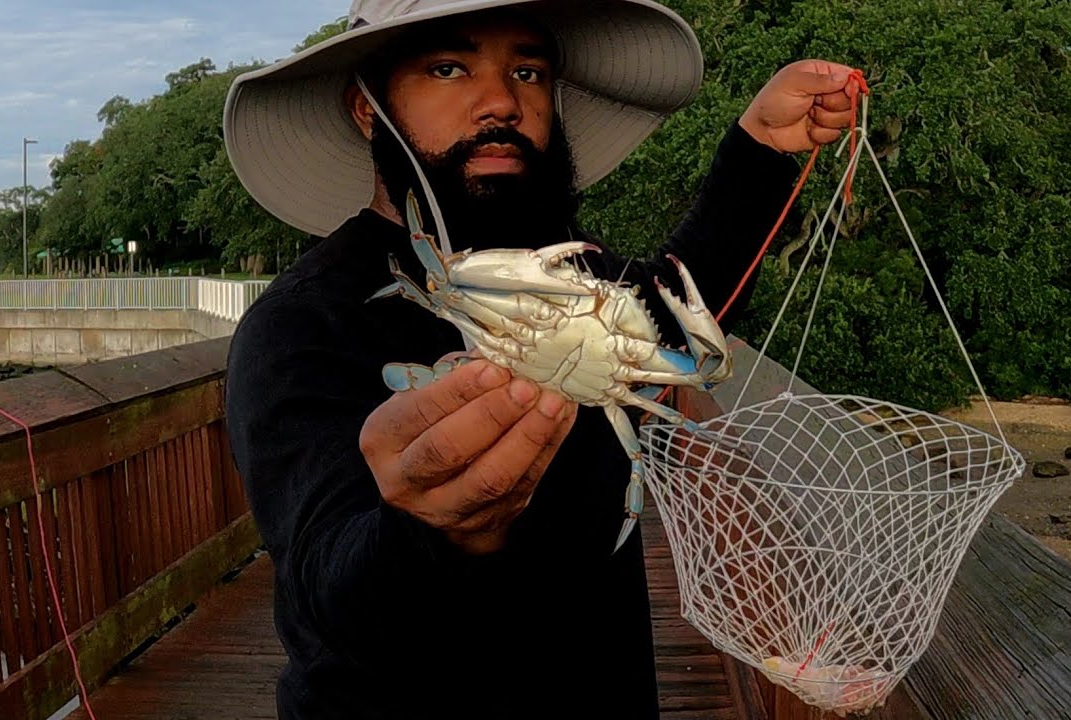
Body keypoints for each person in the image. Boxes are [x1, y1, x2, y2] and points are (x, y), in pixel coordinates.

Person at [221, 0, 861, 717]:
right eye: (448, 68)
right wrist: (423, 531)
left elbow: (677, 321)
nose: (503, 102)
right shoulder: (299, 326)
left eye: (528, 71)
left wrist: (760, 148)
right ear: (367, 109)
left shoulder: (576, 281)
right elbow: (325, 577)